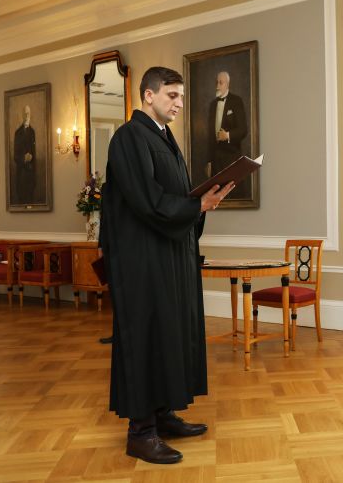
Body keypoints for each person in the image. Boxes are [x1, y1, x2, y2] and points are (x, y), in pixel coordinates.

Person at [100, 66, 234, 465]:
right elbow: (146, 199)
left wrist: (202, 203)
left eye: (181, 97)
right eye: (172, 95)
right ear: (148, 95)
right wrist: (196, 205)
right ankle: (141, 433)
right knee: (146, 337)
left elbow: (173, 195)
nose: (179, 104)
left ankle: (162, 414)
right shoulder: (128, 137)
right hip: (142, 261)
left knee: (169, 333)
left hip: (169, 254)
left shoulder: (163, 137)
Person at [207, 71, 247, 182]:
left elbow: (243, 130)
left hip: (232, 158)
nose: (217, 86)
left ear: (228, 84)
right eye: (216, 83)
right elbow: (210, 136)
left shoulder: (236, 101)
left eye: (221, 83)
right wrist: (209, 161)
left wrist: (228, 135)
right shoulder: (212, 105)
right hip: (215, 160)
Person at [13, 105, 36, 205]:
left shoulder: (32, 132)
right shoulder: (17, 133)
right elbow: (15, 156)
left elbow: (35, 155)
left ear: (30, 115)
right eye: (25, 114)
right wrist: (24, 158)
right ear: (22, 115)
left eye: (28, 114)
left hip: (30, 176)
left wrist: (31, 157)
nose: (26, 116)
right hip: (21, 175)